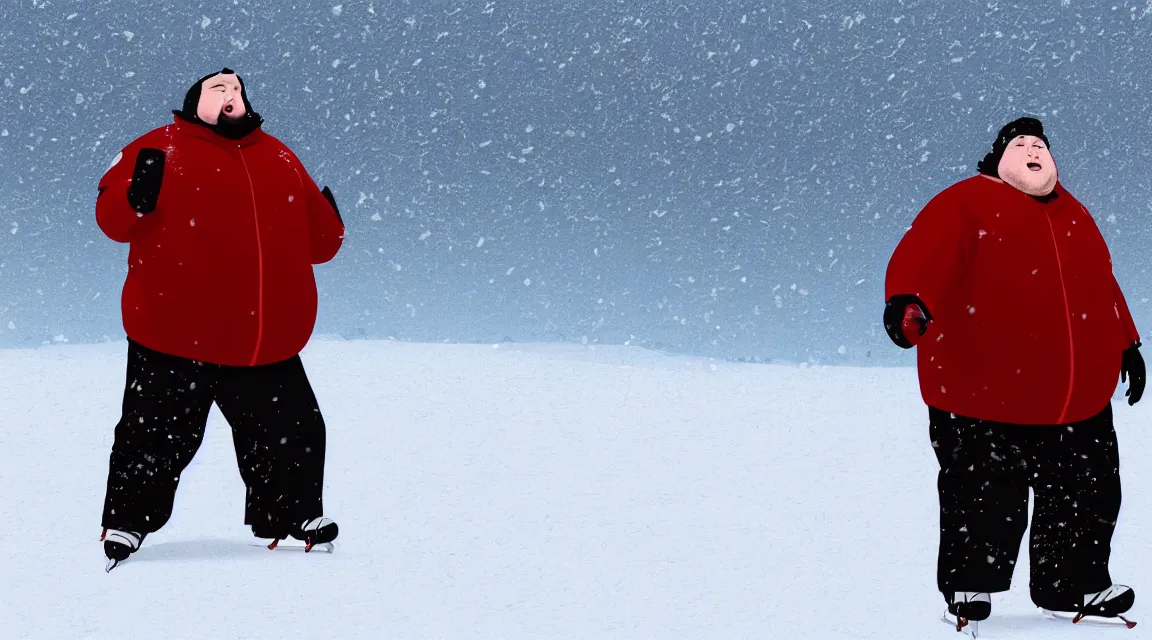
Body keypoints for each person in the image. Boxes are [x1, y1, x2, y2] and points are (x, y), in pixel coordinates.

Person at [883, 117, 1142, 628]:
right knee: (983, 492)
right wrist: (907, 302)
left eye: (1040, 145)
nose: (1032, 150)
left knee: (1087, 490)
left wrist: (1127, 342)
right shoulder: (965, 202)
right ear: (998, 158)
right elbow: (923, 254)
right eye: (1020, 144)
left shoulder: (1076, 214)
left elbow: (1102, 284)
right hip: (981, 392)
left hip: (1076, 398)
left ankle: (1073, 584)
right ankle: (969, 584)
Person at [95, 68, 345, 571]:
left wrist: (332, 220)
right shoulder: (157, 147)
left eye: (237, 88)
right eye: (218, 89)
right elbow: (112, 221)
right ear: (195, 103)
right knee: (153, 435)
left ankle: (294, 516)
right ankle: (128, 520)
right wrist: (133, 198)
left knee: (293, 430)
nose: (231, 94)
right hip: (172, 332)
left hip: (262, 337)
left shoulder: (277, 154)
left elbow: (322, 245)